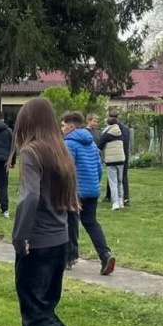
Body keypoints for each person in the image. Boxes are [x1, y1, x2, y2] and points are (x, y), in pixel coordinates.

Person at [9, 97, 100, 326]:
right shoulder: (62, 152)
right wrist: (72, 246)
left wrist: (20, 236)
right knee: (42, 309)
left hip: (36, 243)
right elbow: (73, 204)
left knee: (35, 312)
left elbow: (29, 197)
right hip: (58, 242)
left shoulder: (31, 152)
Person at [61, 111, 115, 275]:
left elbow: (67, 169)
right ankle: (105, 254)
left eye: (63, 125)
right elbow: (99, 168)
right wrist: (94, 184)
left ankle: (70, 256)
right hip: (92, 189)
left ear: (71, 126)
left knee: (70, 221)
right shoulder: (91, 143)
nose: (61, 129)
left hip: (75, 190)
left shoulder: (69, 143)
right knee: (91, 222)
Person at [98, 112, 127, 210]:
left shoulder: (106, 134)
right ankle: (121, 201)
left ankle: (115, 203)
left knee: (113, 182)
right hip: (121, 159)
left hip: (111, 160)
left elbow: (99, 147)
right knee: (120, 181)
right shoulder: (120, 133)